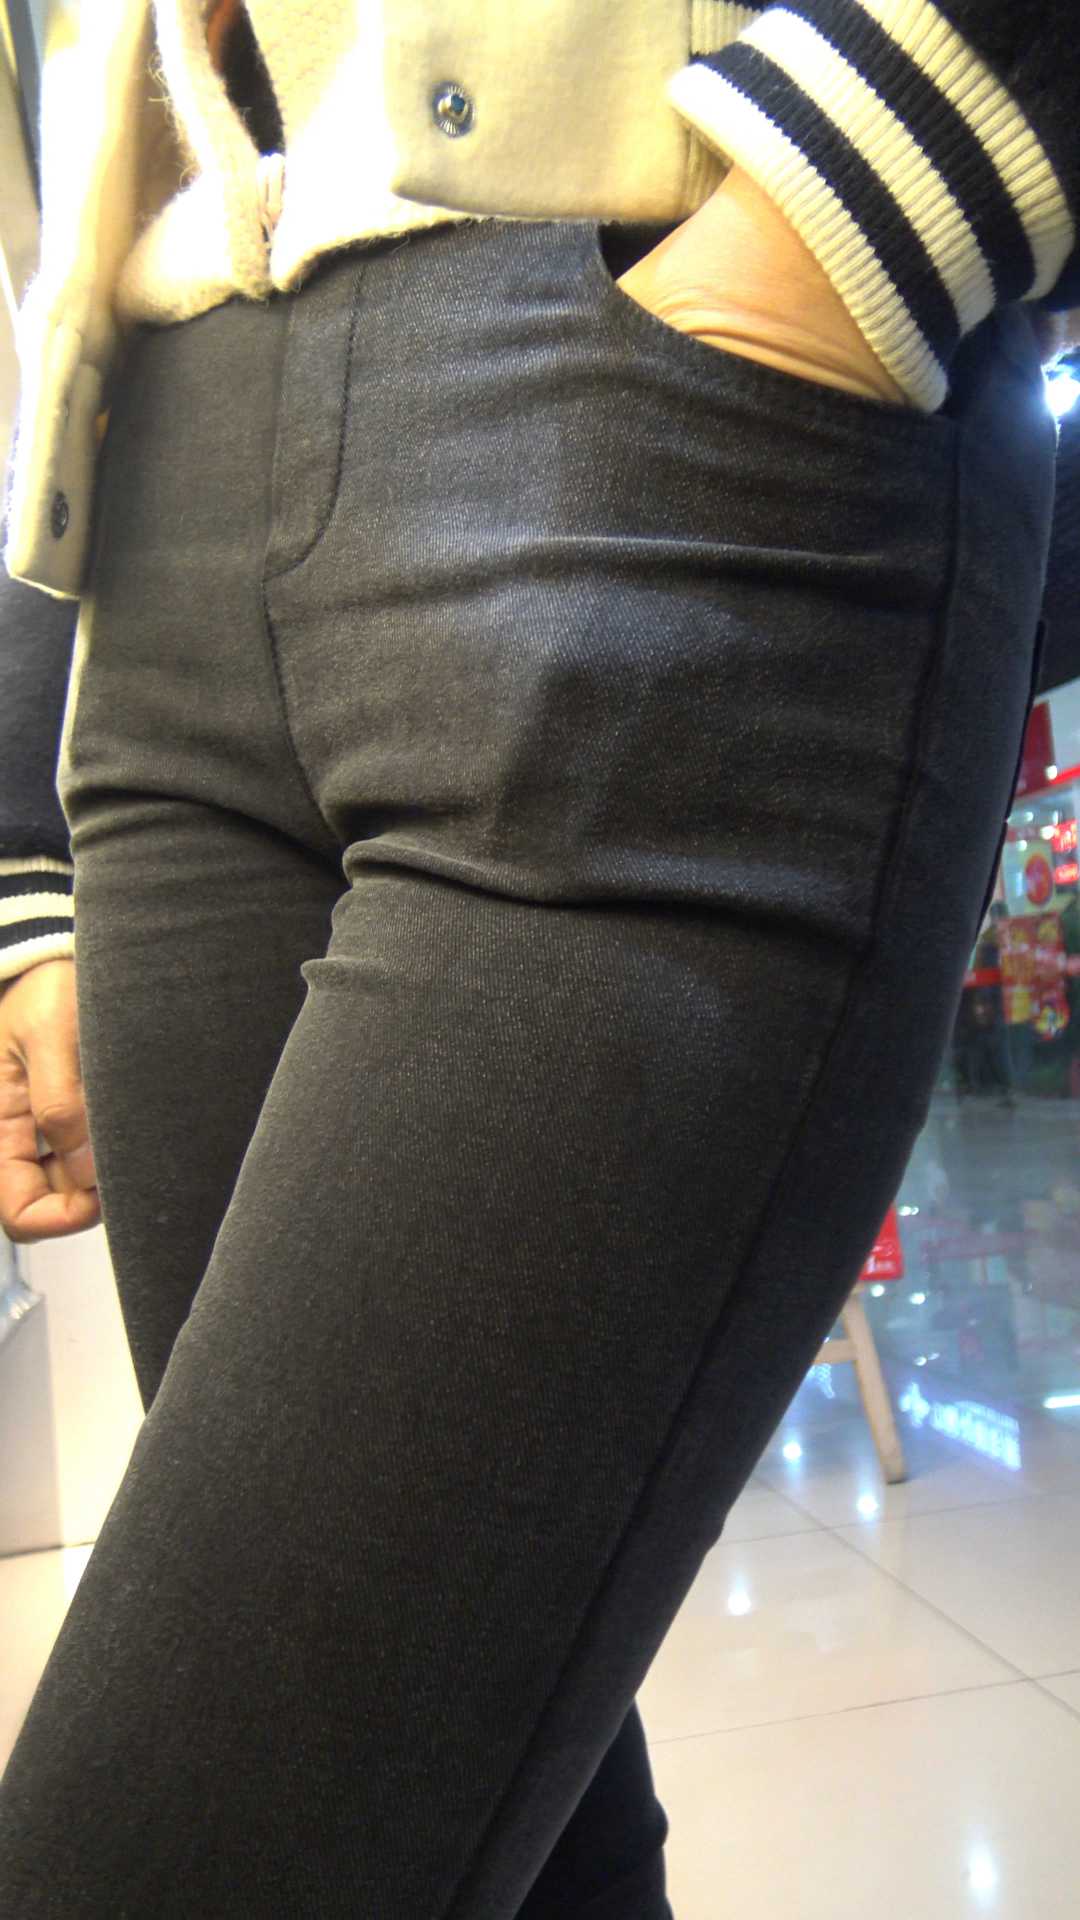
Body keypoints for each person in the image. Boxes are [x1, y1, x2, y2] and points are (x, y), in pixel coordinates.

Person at [0, 3, 1075, 1913]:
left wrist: (898, 155)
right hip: (159, 504)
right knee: (478, 1796)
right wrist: (25, 831)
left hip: (640, 361)